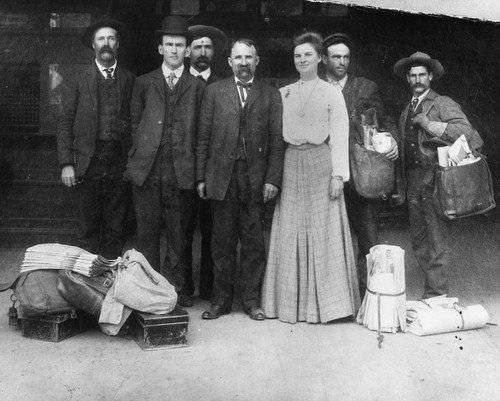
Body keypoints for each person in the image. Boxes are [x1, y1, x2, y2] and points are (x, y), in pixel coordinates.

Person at [261, 31, 360, 324]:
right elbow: (276, 140)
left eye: (307, 55)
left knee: (324, 231)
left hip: (321, 162)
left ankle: (331, 306)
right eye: (297, 55)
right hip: (292, 161)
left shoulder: (332, 93)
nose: (302, 60)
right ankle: (289, 306)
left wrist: (338, 176)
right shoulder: (284, 93)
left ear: (319, 58)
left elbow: (340, 135)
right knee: (289, 229)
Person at [197, 38, 286, 320]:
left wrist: (272, 179)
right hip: (222, 178)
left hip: (255, 180)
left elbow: (276, 141)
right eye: (238, 58)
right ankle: (220, 301)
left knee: (253, 244)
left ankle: (251, 301)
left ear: (257, 61)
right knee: (221, 243)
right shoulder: (214, 92)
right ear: (229, 62)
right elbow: (203, 138)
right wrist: (201, 178)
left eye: (249, 57)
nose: (243, 63)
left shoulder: (270, 94)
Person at [125, 16, 205, 306]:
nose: (174, 50)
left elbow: (201, 130)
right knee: (146, 234)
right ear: (160, 49)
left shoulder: (197, 87)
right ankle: (149, 290)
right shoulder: (144, 83)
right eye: (169, 44)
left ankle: (176, 291)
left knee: (179, 234)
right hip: (147, 169)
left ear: (187, 50)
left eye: (179, 45)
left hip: (180, 172)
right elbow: (135, 124)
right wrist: (143, 153)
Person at [393, 51, 480, 299]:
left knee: (436, 239)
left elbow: (467, 132)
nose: (417, 79)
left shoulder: (443, 103)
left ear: (430, 76)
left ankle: (436, 295)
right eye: (413, 75)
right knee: (419, 241)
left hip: (436, 180)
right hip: (413, 182)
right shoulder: (405, 111)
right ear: (408, 79)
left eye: (422, 74)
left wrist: (429, 124)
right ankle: (432, 292)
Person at [320, 33, 398, 298]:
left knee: (368, 237)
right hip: (325, 174)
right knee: (326, 239)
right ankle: (333, 297)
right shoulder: (315, 86)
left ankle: (371, 296)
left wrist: (391, 141)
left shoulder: (366, 87)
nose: (341, 62)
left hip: (360, 175)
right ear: (323, 59)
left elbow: (384, 122)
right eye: (335, 57)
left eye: (345, 57)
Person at [57, 18, 135, 259]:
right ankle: (84, 288)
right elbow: (64, 121)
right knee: (87, 230)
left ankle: (109, 287)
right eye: (101, 39)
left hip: (118, 165)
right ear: (93, 45)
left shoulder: (130, 79)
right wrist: (67, 163)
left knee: (115, 230)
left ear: (118, 44)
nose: (106, 43)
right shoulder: (77, 78)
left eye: (111, 38)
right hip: (87, 164)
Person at [183, 25, 228, 306]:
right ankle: (184, 287)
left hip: (214, 171)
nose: (202, 52)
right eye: (197, 47)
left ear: (214, 53)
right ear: (188, 51)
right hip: (183, 169)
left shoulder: (223, 85)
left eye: (207, 47)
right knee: (183, 231)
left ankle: (210, 288)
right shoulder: (177, 82)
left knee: (213, 231)